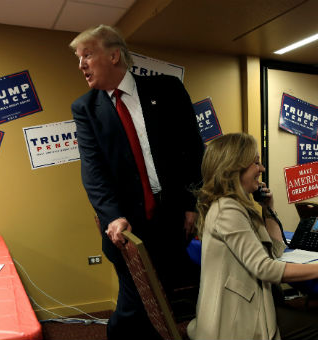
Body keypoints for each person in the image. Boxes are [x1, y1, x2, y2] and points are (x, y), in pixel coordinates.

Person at [69, 25, 204, 339]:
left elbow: (193, 151)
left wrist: (190, 205)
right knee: (137, 303)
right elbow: (93, 172)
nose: (81, 65)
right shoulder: (85, 109)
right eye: (79, 58)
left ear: (114, 55)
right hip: (126, 227)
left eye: (87, 55)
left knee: (162, 298)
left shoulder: (168, 89)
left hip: (171, 219)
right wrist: (112, 215)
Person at [188, 133, 318, 340]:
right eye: (256, 163)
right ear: (234, 168)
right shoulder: (228, 210)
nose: (262, 169)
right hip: (232, 317)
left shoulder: (235, 206)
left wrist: (268, 208)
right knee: (317, 326)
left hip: (239, 303)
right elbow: (265, 268)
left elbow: (276, 251)